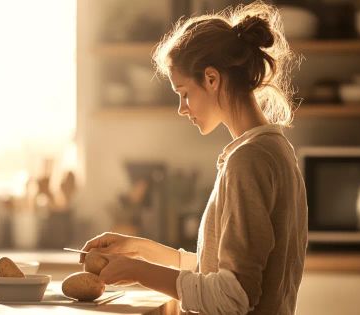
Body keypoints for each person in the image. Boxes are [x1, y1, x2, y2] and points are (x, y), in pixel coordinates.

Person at [80, 1, 308, 314]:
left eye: (184, 92)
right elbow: (216, 271)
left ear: (212, 79)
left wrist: (139, 272)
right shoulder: (275, 150)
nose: (182, 108)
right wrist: (138, 250)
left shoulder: (248, 161)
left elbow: (233, 295)